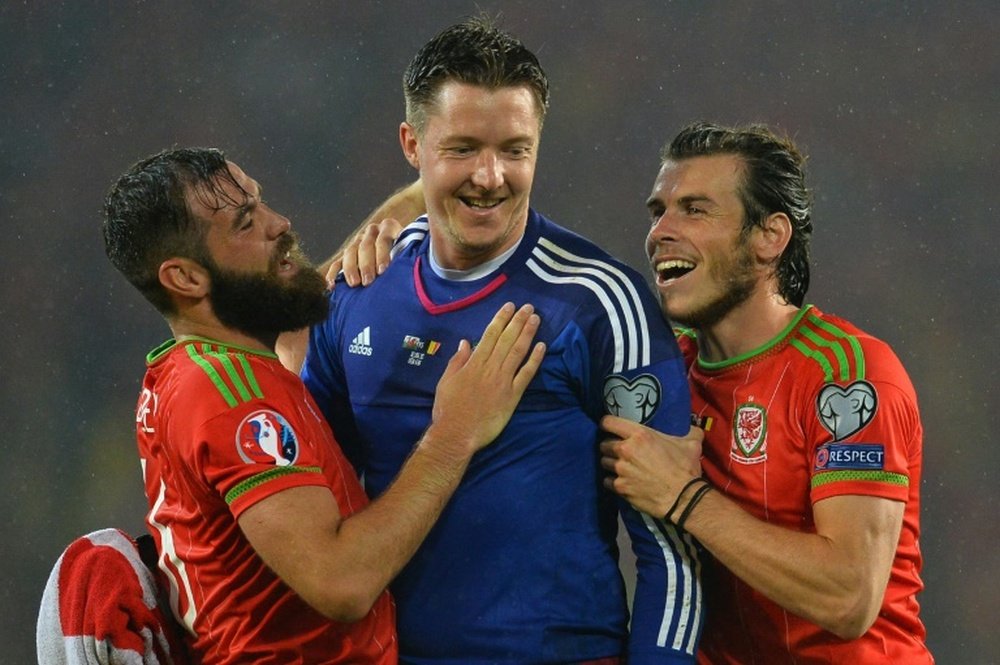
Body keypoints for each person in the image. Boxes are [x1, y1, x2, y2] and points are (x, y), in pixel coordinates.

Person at [301, 17, 702, 665]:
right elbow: (312, 509)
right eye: (463, 148)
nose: (491, 176)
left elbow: (672, 551)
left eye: (515, 150)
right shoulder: (357, 291)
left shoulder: (601, 303)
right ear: (411, 144)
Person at [101, 146, 545, 664]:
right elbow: (342, 582)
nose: (279, 223)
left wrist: (425, 192)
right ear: (186, 278)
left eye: (260, 202)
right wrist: (454, 434)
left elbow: (317, 297)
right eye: (246, 223)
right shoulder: (235, 399)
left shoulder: (211, 369)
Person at [599, 122, 933, 663]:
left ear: (769, 237)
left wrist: (684, 498)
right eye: (658, 210)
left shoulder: (847, 374)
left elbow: (848, 597)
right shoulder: (658, 372)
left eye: (695, 209)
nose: (661, 230)